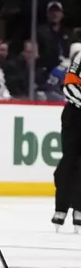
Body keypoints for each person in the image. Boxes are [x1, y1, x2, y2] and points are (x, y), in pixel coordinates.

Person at [52, 42, 81, 232]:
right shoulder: (80, 57)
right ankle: (62, 206)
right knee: (69, 161)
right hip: (75, 115)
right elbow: (69, 86)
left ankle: (79, 207)